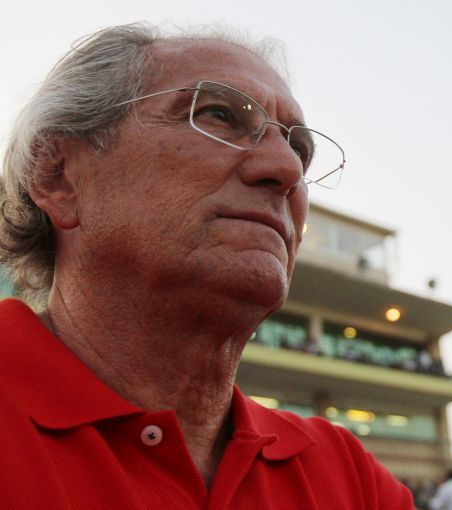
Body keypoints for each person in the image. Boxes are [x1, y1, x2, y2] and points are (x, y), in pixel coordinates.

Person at [0, 23, 413, 509]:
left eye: (299, 150)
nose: (287, 169)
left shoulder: (352, 478)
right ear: (57, 176)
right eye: (217, 114)